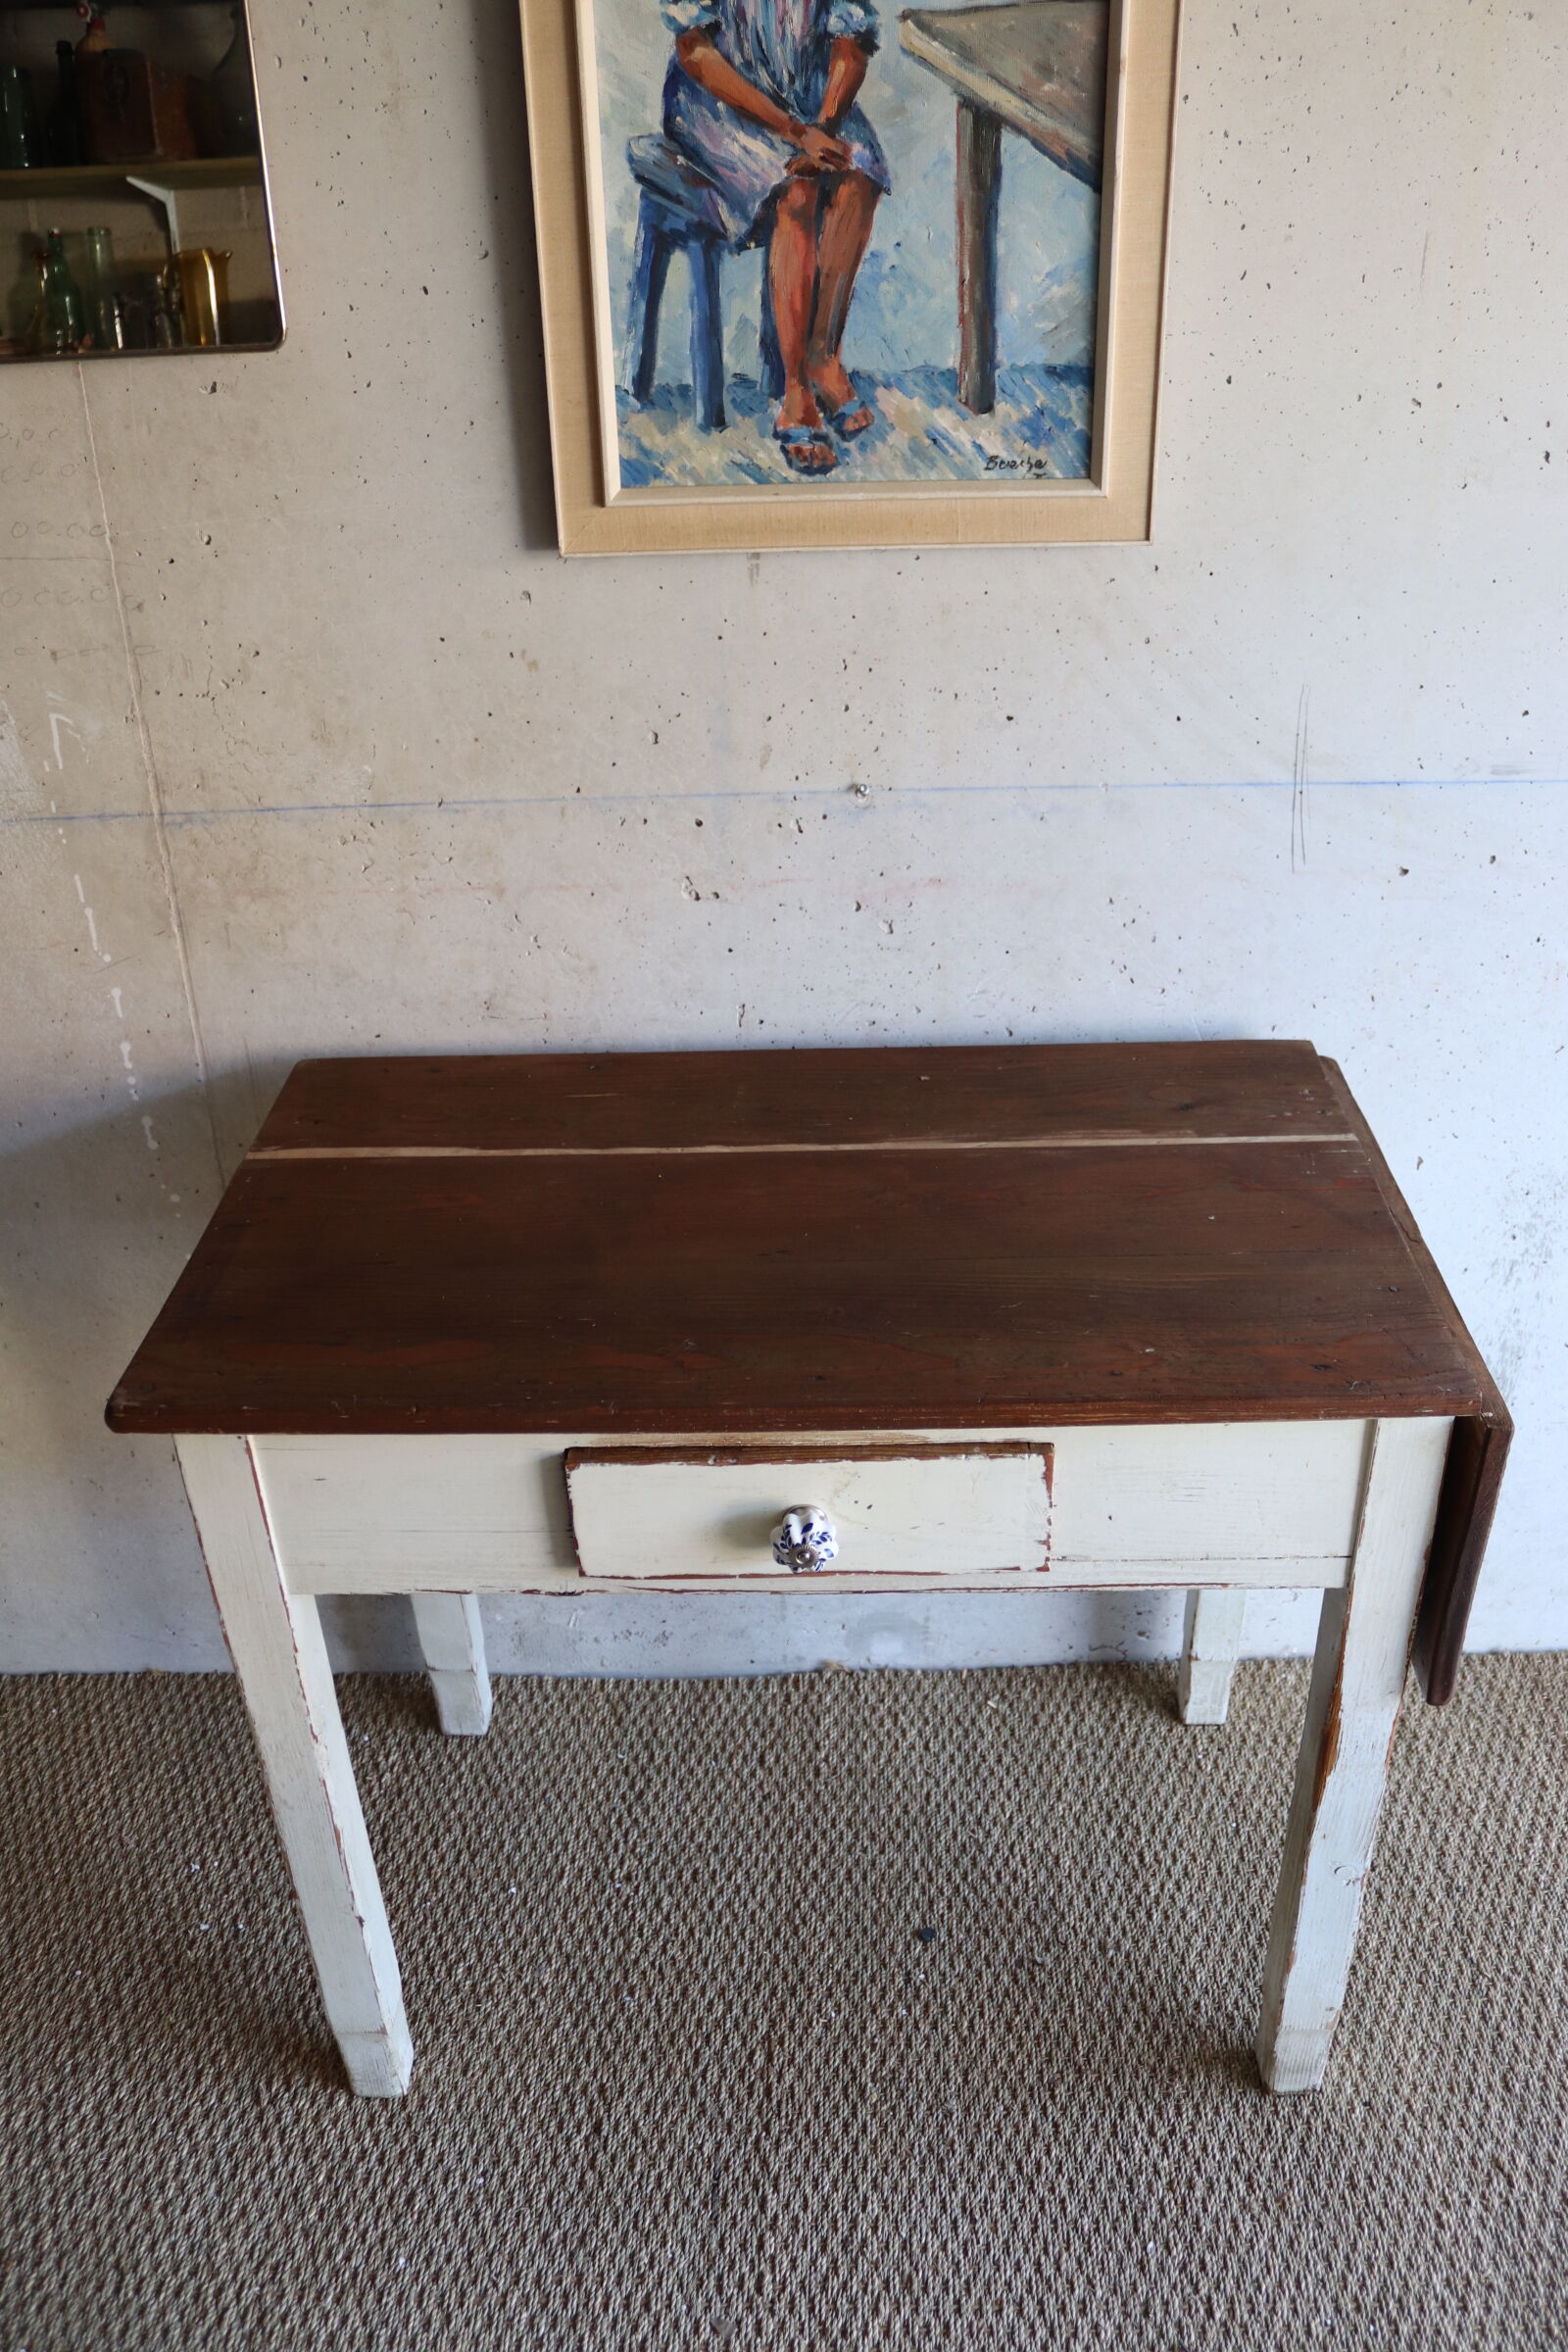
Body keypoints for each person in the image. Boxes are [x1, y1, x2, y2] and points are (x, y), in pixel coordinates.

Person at [662, 0, 889, 473]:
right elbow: (695, 50)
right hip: (719, 105)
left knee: (859, 177)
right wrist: (794, 133)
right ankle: (795, 392)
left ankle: (823, 357)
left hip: (812, 99)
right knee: (797, 191)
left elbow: (852, 45)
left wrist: (822, 129)